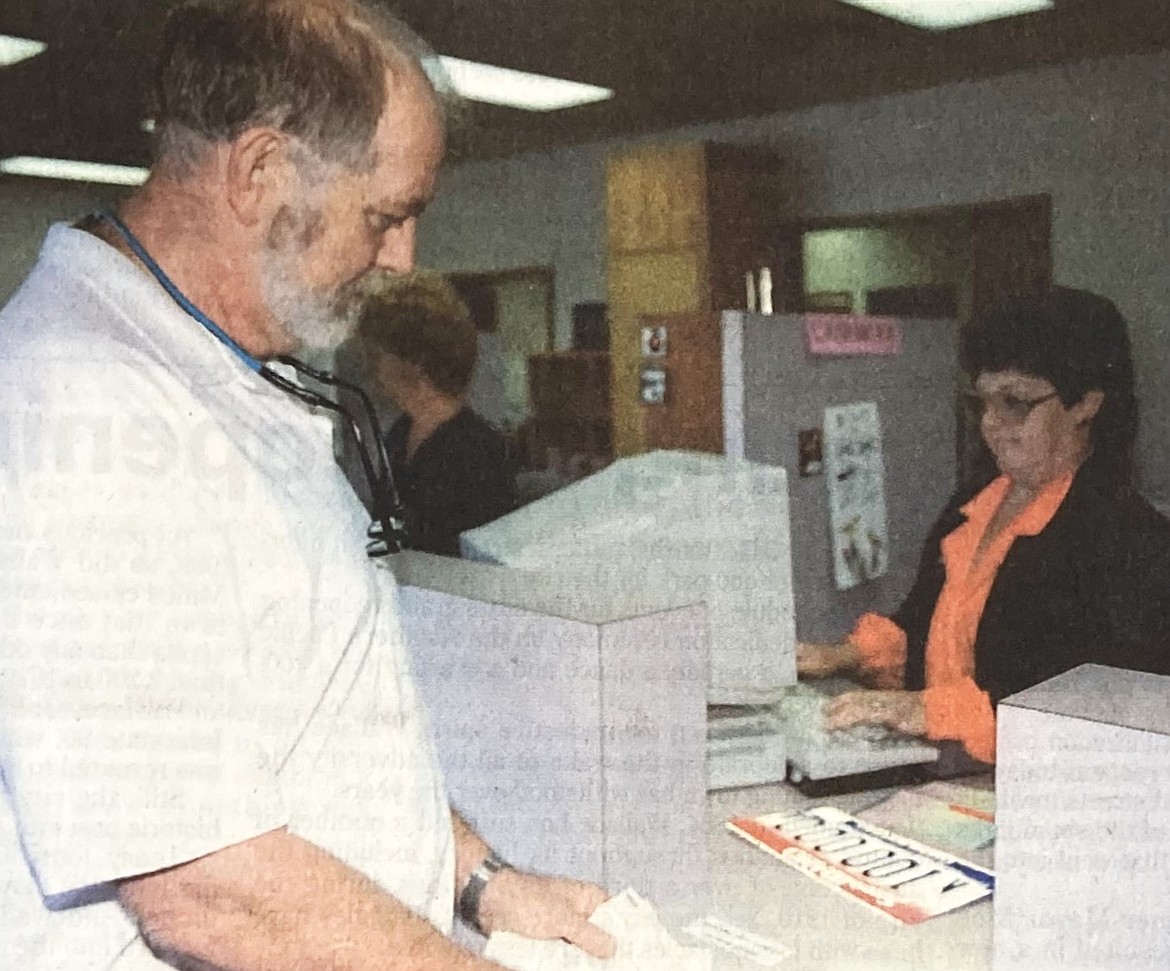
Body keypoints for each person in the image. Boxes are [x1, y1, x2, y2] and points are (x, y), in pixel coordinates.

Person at [0, 2, 614, 968]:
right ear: (258, 173)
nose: (405, 257)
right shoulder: (88, 406)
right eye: (388, 215)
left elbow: (320, 721)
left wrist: (484, 881)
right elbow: (202, 885)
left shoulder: (227, 360)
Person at [797, 286, 1170, 765]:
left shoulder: (1130, 544)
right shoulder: (974, 504)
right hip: (949, 777)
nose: (990, 424)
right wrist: (840, 657)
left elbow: (1083, 710)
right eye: (982, 403)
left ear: (1086, 405)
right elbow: (924, 622)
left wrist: (921, 708)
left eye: (1014, 402)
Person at [357, 272, 518, 556]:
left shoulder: (478, 451)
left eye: (377, 355)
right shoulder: (399, 434)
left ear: (412, 359)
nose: (371, 369)